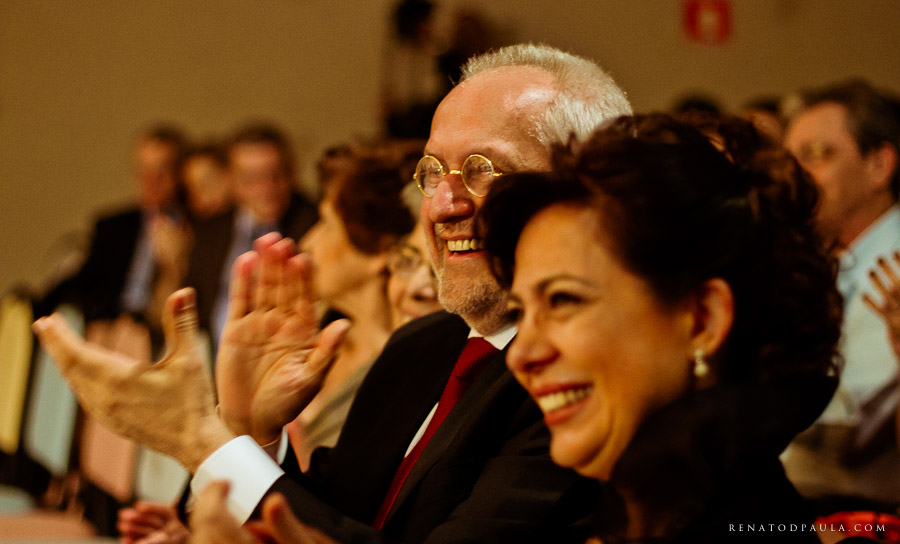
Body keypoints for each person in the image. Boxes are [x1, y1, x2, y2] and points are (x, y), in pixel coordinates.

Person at [33, 43, 632, 543]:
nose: (445, 204)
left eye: (482, 169)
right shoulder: (420, 347)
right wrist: (254, 431)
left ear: (584, 189)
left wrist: (202, 439)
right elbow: (327, 515)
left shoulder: (577, 378)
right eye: (430, 172)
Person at [477, 114, 841, 542]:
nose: (520, 355)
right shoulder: (642, 509)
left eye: (563, 300)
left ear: (703, 320)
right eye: (521, 312)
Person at [781, 79, 900, 509]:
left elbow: (849, 420)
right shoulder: (822, 260)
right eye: (789, 157)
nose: (795, 174)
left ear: (878, 166)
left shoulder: (894, 270)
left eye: (817, 155)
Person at [287, 143, 419, 470]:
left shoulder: (405, 373)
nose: (308, 243)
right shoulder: (315, 330)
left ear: (379, 252)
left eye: (328, 224)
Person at [39, 124, 188, 327]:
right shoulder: (114, 227)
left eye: (161, 170)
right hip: (112, 327)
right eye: (143, 171)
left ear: (179, 172)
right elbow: (80, 285)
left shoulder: (194, 224)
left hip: (161, 326)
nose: (151, 180)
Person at [184, 122, 318, 347]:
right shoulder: (210, 230)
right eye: (252, 179)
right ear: (233, 181)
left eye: (276, 175)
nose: (267, 188)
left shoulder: (311, 224)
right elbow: (191, 301)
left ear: (292, 172)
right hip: (213, 358)